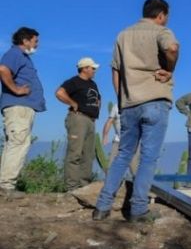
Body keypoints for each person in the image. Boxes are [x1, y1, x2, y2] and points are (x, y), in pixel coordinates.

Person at [93, 0, 180, 222]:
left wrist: (122, 100)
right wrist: (170, 68)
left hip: (129, 104)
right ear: (161, 15)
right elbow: (172, 48)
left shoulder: (123, 35)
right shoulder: (162, 31)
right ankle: (138, 210)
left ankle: (102, 207)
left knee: (123, 155)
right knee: (148, 158)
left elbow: (116, 71)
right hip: (155, 101)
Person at [0, 27, 46, 196]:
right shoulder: (15, 54)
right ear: (25, 40)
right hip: (18, 106)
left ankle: (5, 185)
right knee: (18, 143)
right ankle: (6, 186)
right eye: (35, 41)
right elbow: (3, 70)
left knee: (15, 143)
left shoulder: (22, 57)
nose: (37, 45)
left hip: (23, 107)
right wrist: (16, 90)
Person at [55, 57, 101, 190]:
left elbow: (98, 98)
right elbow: (59, 93)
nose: (94, 70)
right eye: (93, 68)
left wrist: (96, 109)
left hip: (91, 120)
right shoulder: (74, 81)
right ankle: (72, 187)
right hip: (78, 119)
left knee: (88, 155)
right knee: (75, 153)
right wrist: (73, 103)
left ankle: (84, 186)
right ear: (85, 68)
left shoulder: (93, 84)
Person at [102, 103, 140, 175]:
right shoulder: (116, 106)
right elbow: (109, 121)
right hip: (118, 142)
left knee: (134, 168)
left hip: (132, 142)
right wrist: (105, 136)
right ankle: (110, 185)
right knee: (111, 167)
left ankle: (138, 185)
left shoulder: (137, 105)